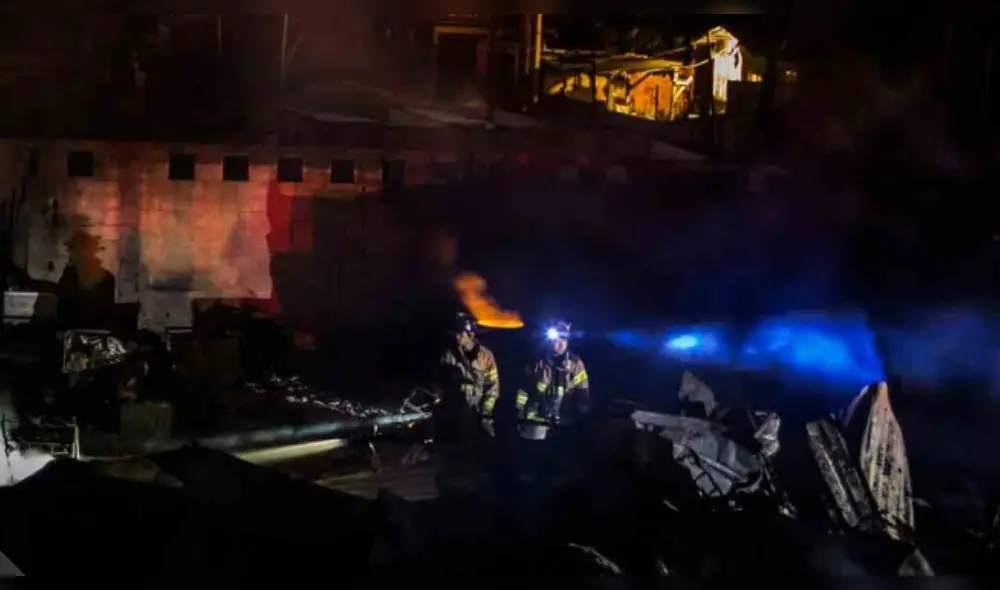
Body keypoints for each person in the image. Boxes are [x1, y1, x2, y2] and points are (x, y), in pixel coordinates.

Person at [432, 311, 500, 492]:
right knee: (451, 458)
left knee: (483, 455)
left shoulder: (486, 357)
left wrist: (485, 413)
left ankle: (482, 491)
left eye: (460, 333)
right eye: (455, 333)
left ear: (471, 334)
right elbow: (440, 386)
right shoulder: (449, 355)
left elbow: (493, 388)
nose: (456, 336)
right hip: (455, 415)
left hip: (478, 415)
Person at [515, 321, 591, 441]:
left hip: (563, 422)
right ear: (549, 340)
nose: (560, 343)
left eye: (564, 339)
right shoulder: (537, 362)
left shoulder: (575, 364)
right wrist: (519, 410)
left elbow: (583, 390)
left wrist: (583, 415)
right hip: (537, 421)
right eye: (557, 339)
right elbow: (523, 389)